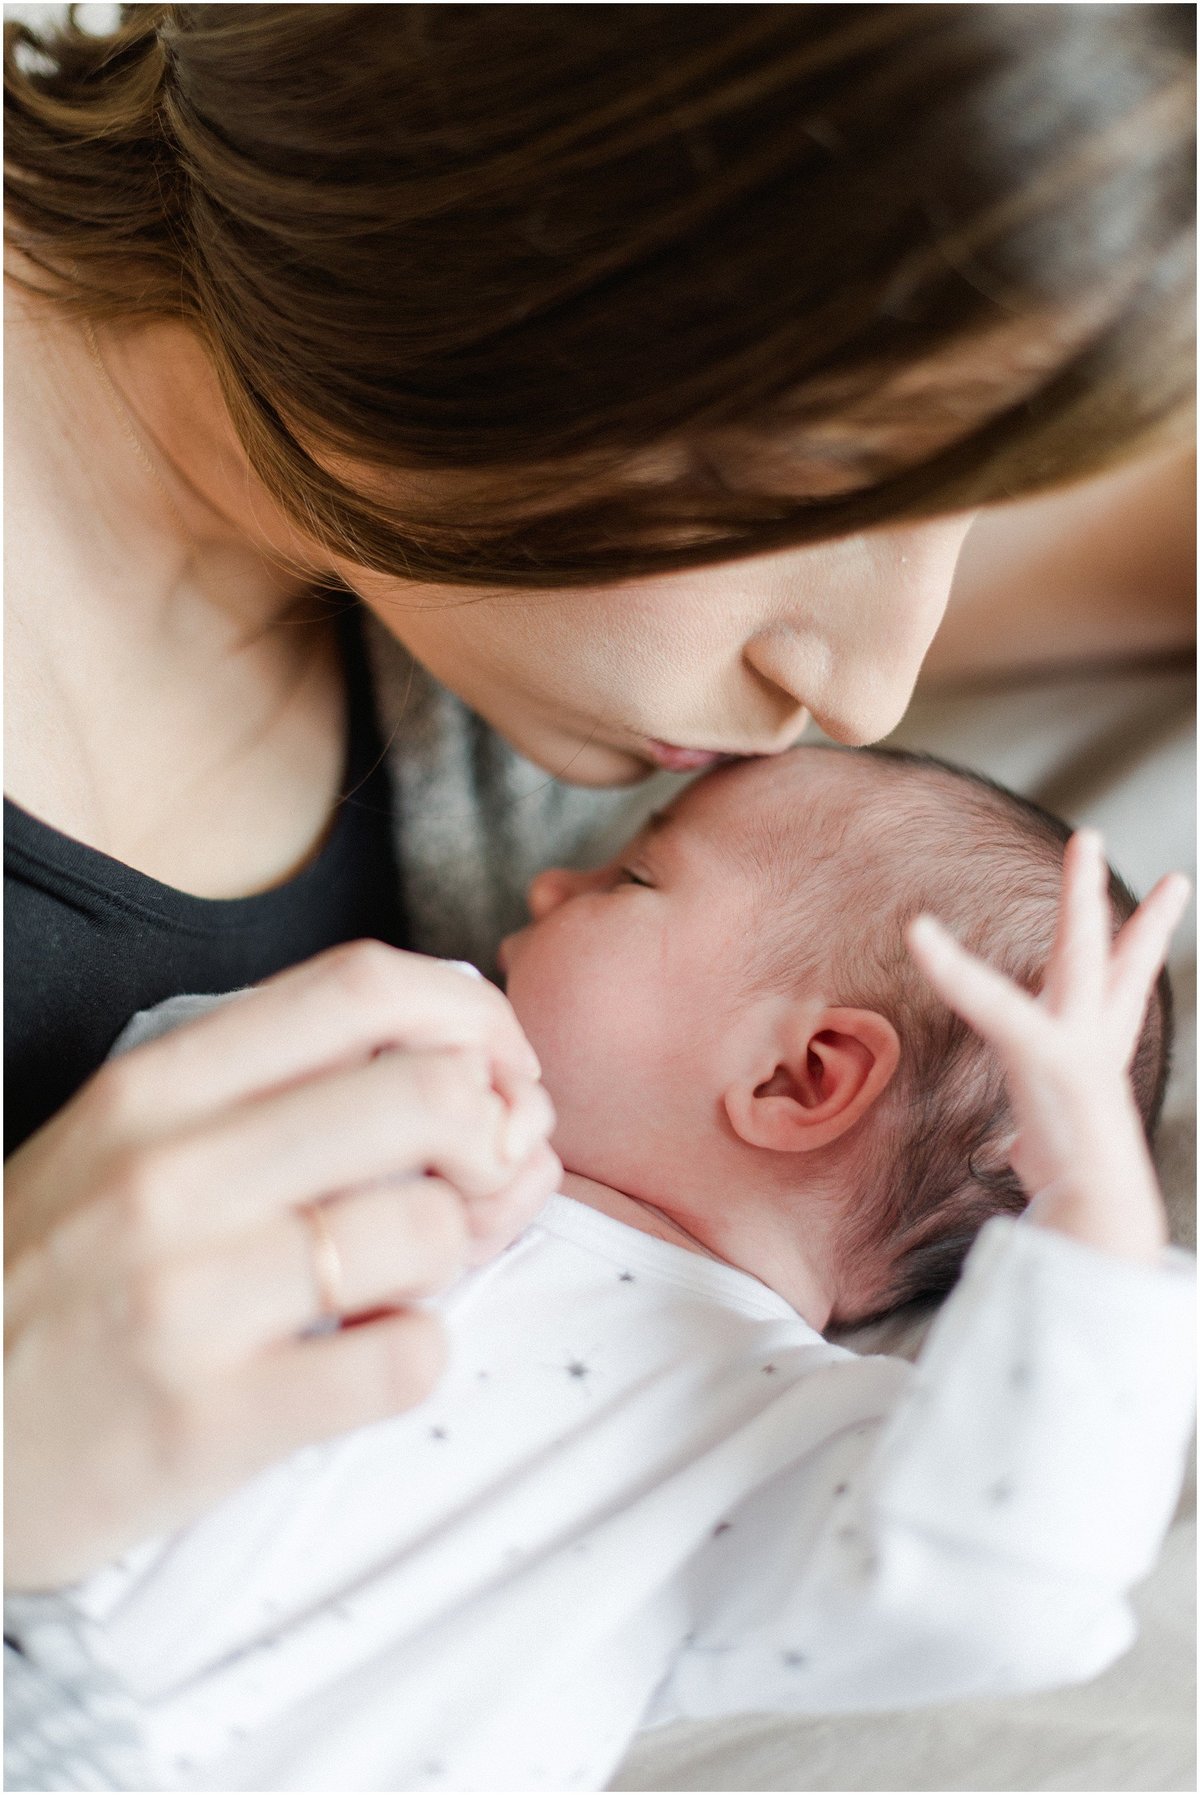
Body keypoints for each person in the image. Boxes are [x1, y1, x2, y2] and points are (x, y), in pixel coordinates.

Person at [4, 2, 1194, 1607]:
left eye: (965, 506)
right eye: (836, 475)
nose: (865, 695)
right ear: (497, 204)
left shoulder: (472, 595)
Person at [6, 745, 1192, 1793]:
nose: (548, 884)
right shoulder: (400, 1080)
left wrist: (1093, 1224)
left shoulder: (794, 1449)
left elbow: (1002, 1589)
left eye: (632, 879)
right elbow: (131, 1163)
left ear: (800, 1077)